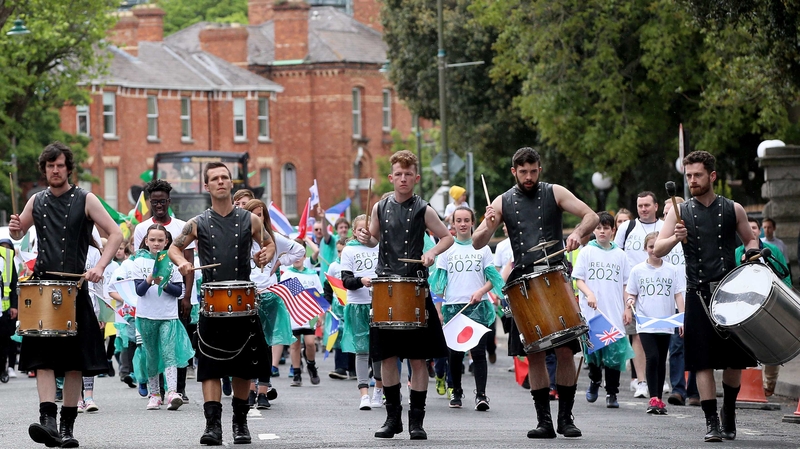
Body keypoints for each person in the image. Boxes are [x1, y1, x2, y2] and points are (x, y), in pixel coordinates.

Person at [472, 147, 598, 439]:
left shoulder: (554, 192)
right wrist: (489, 226)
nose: (528, 177)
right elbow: (478, 242)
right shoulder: (502, 201)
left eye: (533, 171)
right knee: (536, 354)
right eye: (522, 172)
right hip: (524, 283)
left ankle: (566, 418)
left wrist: (578, 232)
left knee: (565, 351)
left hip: (555, 275)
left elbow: (590, 215)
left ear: (539, 170)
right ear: (514, 171)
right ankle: (544, 421)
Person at [9, 142, 123, 448]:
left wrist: (100, 265)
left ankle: (67, 427)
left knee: (75, 362)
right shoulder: (36, 200)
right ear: (44, 169)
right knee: (42, 360)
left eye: (59, 165)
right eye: (49, 166)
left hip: (75, 288)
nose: (55, 170)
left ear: (68, 168)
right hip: (43, 286)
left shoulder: (86, 199)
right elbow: (19, 233)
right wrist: (16, 228)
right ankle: (47, 421)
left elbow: (116, 233)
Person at [168, 162, 275, 445]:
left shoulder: (250, 220)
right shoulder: (198, 222)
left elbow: (269, 242)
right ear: (207, 186)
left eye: (224, 177)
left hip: (243, 302)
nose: (220, 182)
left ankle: (240, 423)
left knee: (243, 367)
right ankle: (212, 426)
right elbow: (174, 247)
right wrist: (182, 264)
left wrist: (265, 254)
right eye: (214, 178)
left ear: (231, 182)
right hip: (212, 304)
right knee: (211, 367)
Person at [655, 150, 758, 443]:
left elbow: (750, 237)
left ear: (712, 176)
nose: (692, 181)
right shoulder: (679, 211)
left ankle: (728, 410)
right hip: (697, 294)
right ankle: (711, 421)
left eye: (697, 175)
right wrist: (675, 237)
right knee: (702, 362)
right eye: (688, 176)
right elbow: (658, 249)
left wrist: (751, 250)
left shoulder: (733, 208)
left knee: (734, 362)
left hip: (731, 292)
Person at [356, 150, 454, 440]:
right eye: (398, 174)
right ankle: (392, 419)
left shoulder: (424, 209)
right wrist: (365, 238)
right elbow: (373, 237)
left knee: (418, 359)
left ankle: (417, 422)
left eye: (408, 174)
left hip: (414, 286)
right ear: (391, 177)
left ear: (416, 177)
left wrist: (432, 252)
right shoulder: (379, 207)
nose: (402, 178)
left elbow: (446, 236)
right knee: (387, 358)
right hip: (386, 287)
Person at [430, 206, 503, 411]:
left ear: (472, 223)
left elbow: (493, 279)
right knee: (455, 353)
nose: (462, 224)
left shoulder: (483, 248)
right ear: (452, 223)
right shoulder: (446, 249)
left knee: (478, 352)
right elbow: (439, 285)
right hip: (453, 308)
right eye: (458, 220)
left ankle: (481, 395)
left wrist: (481, 291)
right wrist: (440, 308)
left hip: (477, 307)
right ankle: (457, 391)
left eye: (466, 220)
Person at [133, 179, 197, 401]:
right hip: (150, 301)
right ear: (150, 202)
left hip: (177, 295)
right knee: (154, 346)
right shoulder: (142, 229)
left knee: (177, 342)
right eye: (154, 202)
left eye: (162, 201)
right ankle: (156, 390)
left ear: (169, 202)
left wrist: (187, 296)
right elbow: (139, 261)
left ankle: (178, 388)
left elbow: (189, 264)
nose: (158, 205)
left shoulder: (182, 226)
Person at [243, 199, 303, 408]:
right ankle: (249, 390)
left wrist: (279, 261)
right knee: (248, 346)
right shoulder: (241, 240)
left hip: (269, 296)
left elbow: (299, 251)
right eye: (253, 214)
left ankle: (262, 391)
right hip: (247, 297)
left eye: (261, 214)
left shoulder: (275, 239)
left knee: (265, 345)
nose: (258, 219)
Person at [574, 212, 632, 410]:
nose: (601, 232)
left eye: (606, 228)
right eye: (598, 228)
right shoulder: (586, 252)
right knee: (595, 353)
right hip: (592, 312)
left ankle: (612, 392)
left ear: (613, 231)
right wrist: (589, 294)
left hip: (614, 311)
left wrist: (627, 308)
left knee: (614, 355)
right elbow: (578, 279)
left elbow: (626, 284)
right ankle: (594, 380)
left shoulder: (621, 255)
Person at [626, 231, 685, 415]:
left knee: (661, 360)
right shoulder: (637, 270)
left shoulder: (672, 270)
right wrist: (630, 302)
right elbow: (631, 293)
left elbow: (677, 294)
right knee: (652, 357)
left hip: (666, 322)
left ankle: (659, 398)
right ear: (645, 248)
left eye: (657, 246)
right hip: (646, 322)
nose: (654, 250)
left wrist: (682, 317)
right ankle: (653, 398)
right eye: (651, 246)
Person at [613, 192, 663, 399]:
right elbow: (616, 254)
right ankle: (641, 381)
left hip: (661, 288)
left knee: (661, 335)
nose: (643, 209)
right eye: (640, 205)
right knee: (638, 337)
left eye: (647, 205)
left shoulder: (664, 227)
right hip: (634, 289)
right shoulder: (627, 227)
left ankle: (659, 378)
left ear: (656, 206)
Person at [735, 218, 791, 397]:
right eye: (748, 227)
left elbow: (785, 274)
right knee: (750, 344)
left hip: (771, 302)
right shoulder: (737, 252)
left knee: (772, 343)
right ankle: (751, 385)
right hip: (745, 305)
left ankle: (770, 383)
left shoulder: (772, 250)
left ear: (759, 231)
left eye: (754, 228)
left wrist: (786, 297)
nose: (751, 231)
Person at [339, 214, 382, 410]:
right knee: (362, 350)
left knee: (380, 351)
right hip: (358, 304)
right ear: (354, 232)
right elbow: (346, 281)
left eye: (368, 228)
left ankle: (379, 390)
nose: (364, 232)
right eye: (360, 229)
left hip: (380, 303)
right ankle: (364, 393)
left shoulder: (380, 247)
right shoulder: (348, 251)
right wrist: (361, 281)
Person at [0, 238, 18, 384]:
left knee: (4, 341)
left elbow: (13, 282)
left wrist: (14, 305)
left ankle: (4, 369)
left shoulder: (6, 256)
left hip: (4, 307)